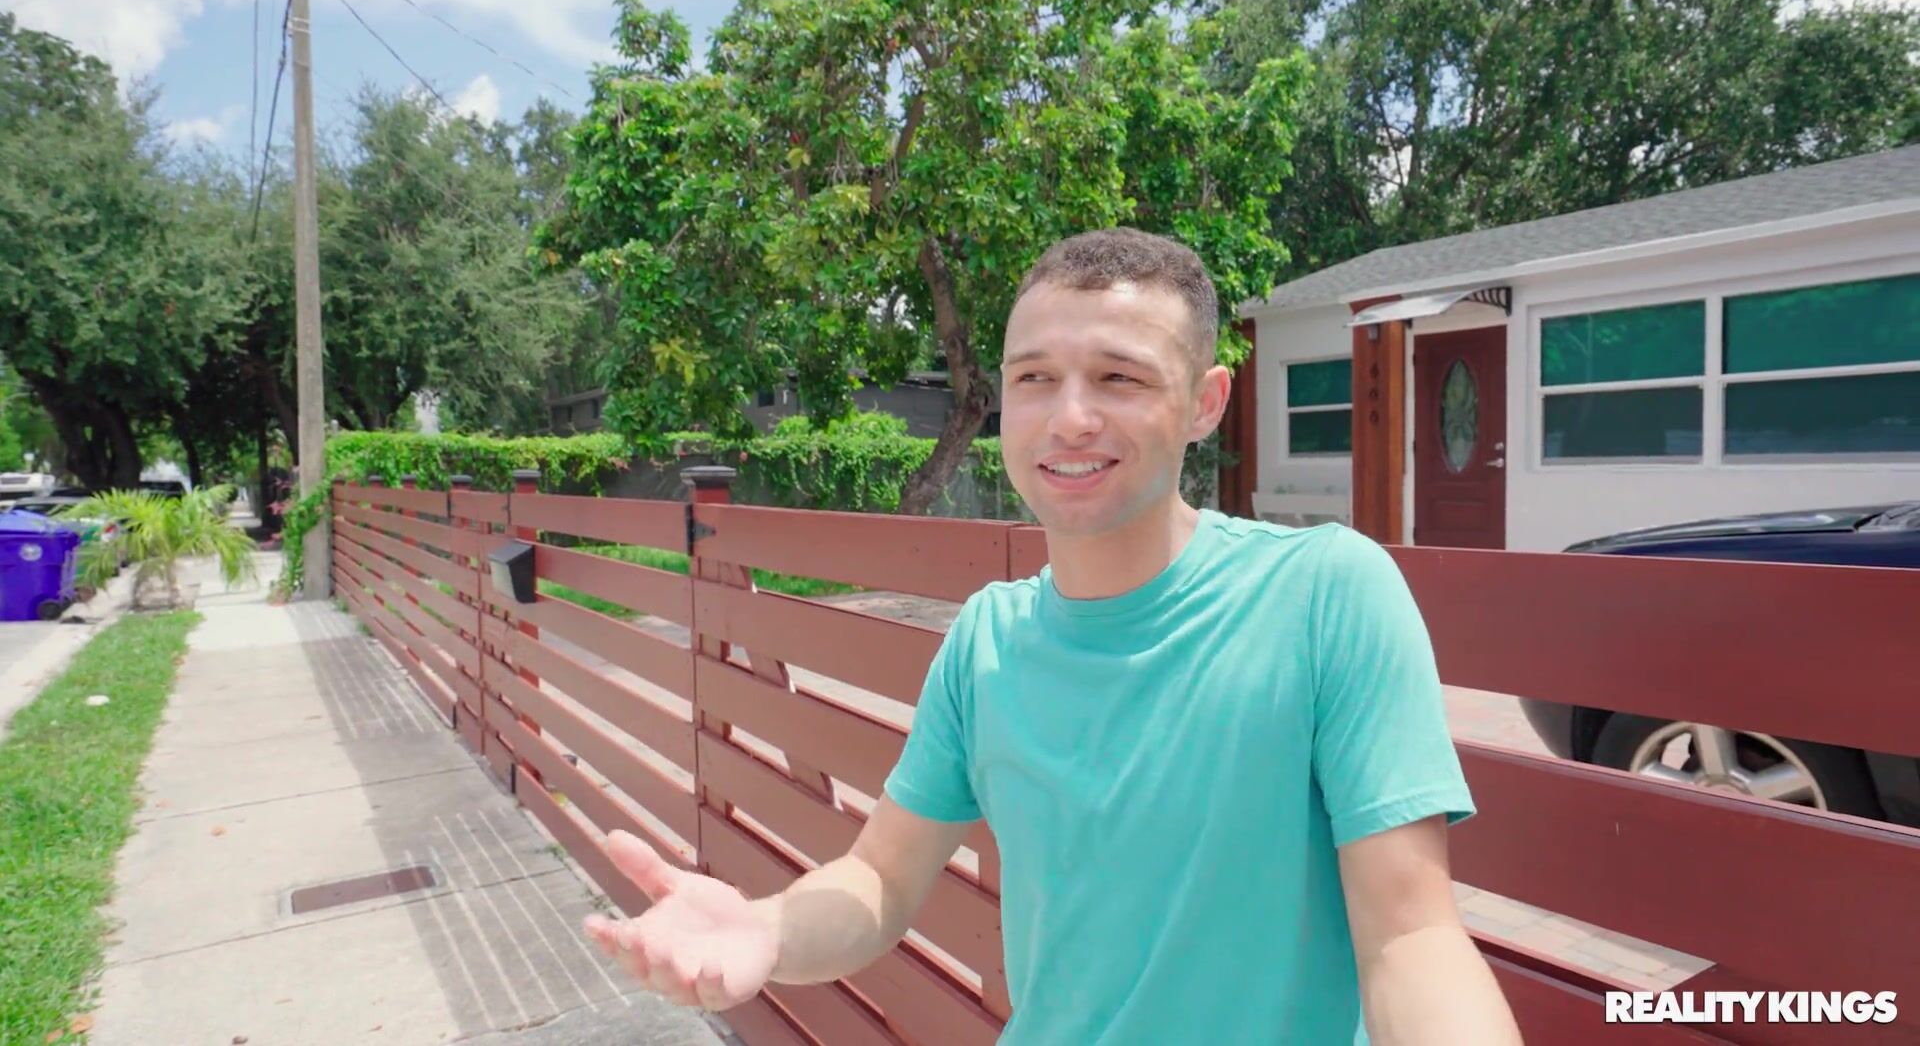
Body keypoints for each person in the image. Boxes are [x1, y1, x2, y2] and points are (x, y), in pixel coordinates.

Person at [584, 227, 1523, 1044]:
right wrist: (768, 929)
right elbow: (879, 880)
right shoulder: (986, 642)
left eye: (1119, 377)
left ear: (1206, 402)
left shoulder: (1325, 595)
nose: (1069, 418)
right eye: (1034, 379)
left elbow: (1412, 939)